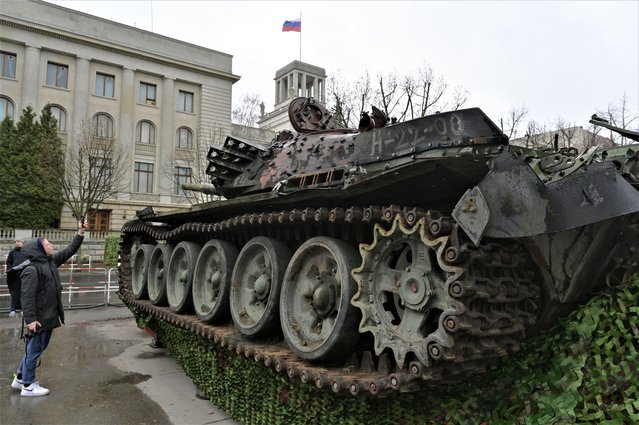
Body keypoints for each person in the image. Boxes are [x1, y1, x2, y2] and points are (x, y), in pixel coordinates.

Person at [10, 220, 87, 397]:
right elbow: (27, 298)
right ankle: (28, 386)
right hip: (39, 319)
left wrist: (80, 232)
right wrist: (30, 320)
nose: (51, 245)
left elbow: (69, 250)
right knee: (34, 350)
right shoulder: (32, 269)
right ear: (39, 249)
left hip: (48, 315)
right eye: (47, 244)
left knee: (34, 349)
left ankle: (20, 378)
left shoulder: (49, 262)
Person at [6, 236, 28, 317]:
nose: (16, 243)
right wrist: (9, 270)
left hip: (24, 275)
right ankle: (12, 309)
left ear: (22, 242)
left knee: (24, 292)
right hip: (14, 276)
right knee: (14, 293)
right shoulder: (12, 252)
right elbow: (9, 262)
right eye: (15, 241)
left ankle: (23, 309)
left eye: (18, 241)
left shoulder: (26, 252)